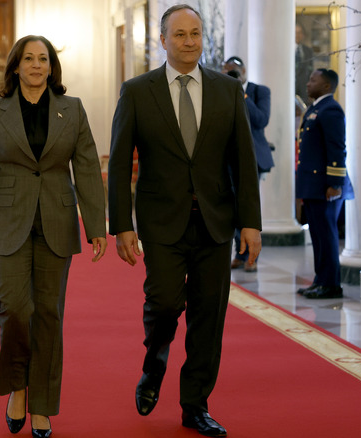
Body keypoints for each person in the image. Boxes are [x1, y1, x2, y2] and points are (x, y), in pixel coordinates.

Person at [108, 5, 261, 437]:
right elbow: (120, 162)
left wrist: (251, 223)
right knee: (164, 302)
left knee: (208, 317)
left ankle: (195, 405)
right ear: (163, 41)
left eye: (195, 33)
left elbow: (243, 162)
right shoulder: (138, 91)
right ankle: (155, 360)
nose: (189, 41)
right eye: (180, 34)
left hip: (216, 221)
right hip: (161, 221)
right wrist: (121, 225)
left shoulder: (227, 90)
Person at [0, 35, 107, 438]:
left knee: (48, 314)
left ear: (51, 66)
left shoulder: (72, 110)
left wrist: (97, 226)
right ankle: (17, 388)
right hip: (7, 223)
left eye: (43, 59)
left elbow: (86, 169)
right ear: (15, 66)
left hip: (56, 223)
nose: (36, 65)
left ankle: (42, 405)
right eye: (28, 59)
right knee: (13, 309)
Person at [295, 68, 353, 299]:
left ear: (327, 86)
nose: (308, 83)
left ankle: (331, 284)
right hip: (313, 184)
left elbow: (337, 148)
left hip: (326, 186)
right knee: (318, 235)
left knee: (327, 235)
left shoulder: (331, 110)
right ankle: (321, 280)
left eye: (313, 80)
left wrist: (335, 183)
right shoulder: (316, 108)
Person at [222, 56, 274, 273]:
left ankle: (252, 257)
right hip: (227, 157)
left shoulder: (259, 91)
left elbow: (261, 119)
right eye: (227, 71)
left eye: (234, 70)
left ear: (244, 71)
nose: (231, 73)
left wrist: (240, 93)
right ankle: (240, 253)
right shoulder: (220, 90)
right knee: (232, 206)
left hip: (253, 157)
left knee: (249, 205)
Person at [295, 24, 314, 106]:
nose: (297, 35)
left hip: (304, 91)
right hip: (289, 89)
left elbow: (311, 71)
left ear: (303, 35)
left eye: (299, 33)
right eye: (295, 32)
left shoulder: (308, 51)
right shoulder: (285, 50)